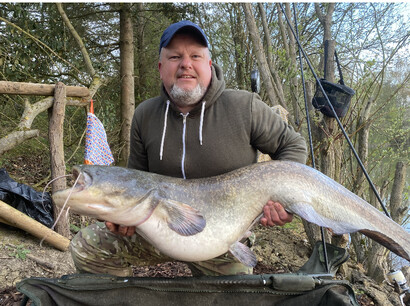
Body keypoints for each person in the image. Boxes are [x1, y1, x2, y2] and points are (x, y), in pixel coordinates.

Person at [70, 20, 307, 277]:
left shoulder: (244, 107)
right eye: (175, 56)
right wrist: (121, 217)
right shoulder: (144, 115)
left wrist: (283, 199)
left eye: (195, 55)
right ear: (161, 68)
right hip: (155, 231)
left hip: (219, 240)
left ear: (209, 64)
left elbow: (292, 145)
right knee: (86, 247)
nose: (186, 64)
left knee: (237, 294)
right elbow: (134, 180)